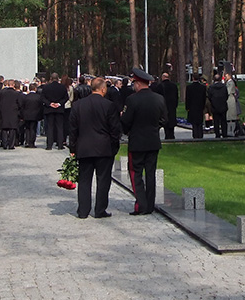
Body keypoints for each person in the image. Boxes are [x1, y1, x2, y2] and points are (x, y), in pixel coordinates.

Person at [68, 76, 122, 219]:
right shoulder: (109, 105)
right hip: (104, 148)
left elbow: (72, 129)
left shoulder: (78, 105)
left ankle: (83, 210)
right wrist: (114, 147)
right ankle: (100, 210)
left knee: (84, 180)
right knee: (103, 180)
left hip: (84, 147)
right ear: (103, 89)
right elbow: (115, 130)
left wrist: (72, 148)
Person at [121, 67, 167, 215]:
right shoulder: (159, 99)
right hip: (153, 141)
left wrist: (125, 124)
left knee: (135, 173)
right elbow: (164, 119)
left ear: (138, 83)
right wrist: (154, 128)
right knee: (150, 174)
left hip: (137, 142)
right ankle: (150, 204)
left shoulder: (132, 100)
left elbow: (126, 122)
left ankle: (141, 204)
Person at [42, 73, 69, 151]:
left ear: (50, 78)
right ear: (58, 78)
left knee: (50, 127)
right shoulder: (62, 87)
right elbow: (66, 97)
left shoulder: (46, 87)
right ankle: (60, 145)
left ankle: (49, 145)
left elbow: (42, 97)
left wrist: (50, 103)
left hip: (49, 109)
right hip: (59, 109)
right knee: (60, 127)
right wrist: (59, 103)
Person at [151, 70, 179, 140]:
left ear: (163, 77)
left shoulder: (160, 86)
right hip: (172, 106)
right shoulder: (174, 86)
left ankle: (167, 135)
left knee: (166, 122)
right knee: (171, 121)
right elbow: (176, 96)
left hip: (164, 106)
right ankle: (172, 135)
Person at [0, 79, 21, 149]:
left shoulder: (2, 93)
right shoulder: (16, 94)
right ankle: (11, 145)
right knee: (12, 129)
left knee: (4, 128)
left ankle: (4, 144)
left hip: (3, 112)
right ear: (13, 85)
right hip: (13, 113)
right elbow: (19, 104)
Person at [19, 82, 43, 148]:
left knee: (27, 129)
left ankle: (27, 141)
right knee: (33, 129)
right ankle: (32, 142)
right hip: (35, 115)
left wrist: (22, 115)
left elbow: (22, 107)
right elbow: (41, 107)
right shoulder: (38, 97)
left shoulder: (26, 97)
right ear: (35, 89)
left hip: (26, 115)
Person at [185, 72, 207, 140]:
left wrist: (187, 107)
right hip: (200, 106)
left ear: (193, 78)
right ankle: (200, 134)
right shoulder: (203, 87)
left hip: (192, 107)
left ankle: (195, 135)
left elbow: (187, 98)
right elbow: (204, 98)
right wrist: (203, 106)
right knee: (200, 121)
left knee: (194, 123)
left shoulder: (189, 87)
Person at [207, 73, 229, 139]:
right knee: (223, 121)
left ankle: (217, 134)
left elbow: (209, 96)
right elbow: (226, 96)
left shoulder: (211, 87)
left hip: (214, 106)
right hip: (222, 105)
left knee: (216, 121)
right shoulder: (224, 87)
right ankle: (224, 133)